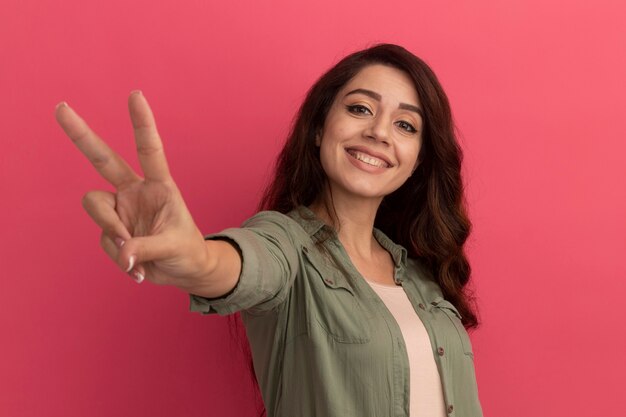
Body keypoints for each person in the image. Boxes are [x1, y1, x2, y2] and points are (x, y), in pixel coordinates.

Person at [55, 43, 483, 417]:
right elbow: (243, 264)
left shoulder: (424, 278)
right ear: (319, 129)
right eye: (359, 108)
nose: (377, 131)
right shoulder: (286, 242)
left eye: (405, 125)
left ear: (419, 161)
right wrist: (197, 259)